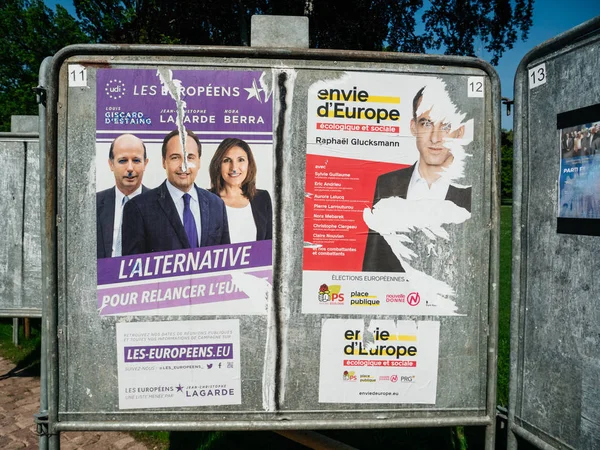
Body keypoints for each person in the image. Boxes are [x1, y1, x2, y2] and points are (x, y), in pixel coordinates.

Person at [362, 84, 471, 272]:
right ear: (413, 127)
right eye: (426, 123)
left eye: (446, 126)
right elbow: (374, 263)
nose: (435, 138)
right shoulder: (388, 184)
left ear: (459, 132)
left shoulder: (472, 190)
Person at [121, 129, 230, 255]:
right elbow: (132, 269)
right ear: (164, 162)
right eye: (175, 157)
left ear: (199, 161)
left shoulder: (216, 204)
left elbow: (225, 263)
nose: (183, 166)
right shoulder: (138, 208)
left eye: (190, 157)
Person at [208, 138, 272, 243]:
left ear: (249, 164)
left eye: (240, 160)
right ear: (218, 165)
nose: (234, 167)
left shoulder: (262, 198)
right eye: (227, 160)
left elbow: (269, 245)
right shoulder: (206, 200)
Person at [96, 133, 149, 258]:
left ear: (145, 164)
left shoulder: (161, 205)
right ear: (111, 164)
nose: (130, 168)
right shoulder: (93, 204)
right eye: (123, 160)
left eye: (136, 160)